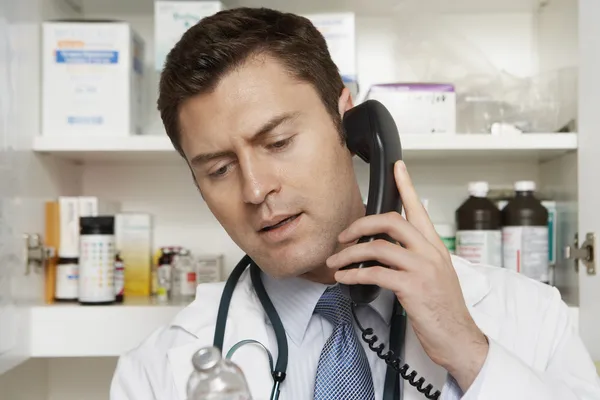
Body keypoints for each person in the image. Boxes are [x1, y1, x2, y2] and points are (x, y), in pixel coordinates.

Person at [110, 7, 600, 400]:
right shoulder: (156, 372)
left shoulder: (531, 317)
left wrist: (467, 349)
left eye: (278, 142)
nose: (255, 190)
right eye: (218, 169)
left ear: (351, 124)